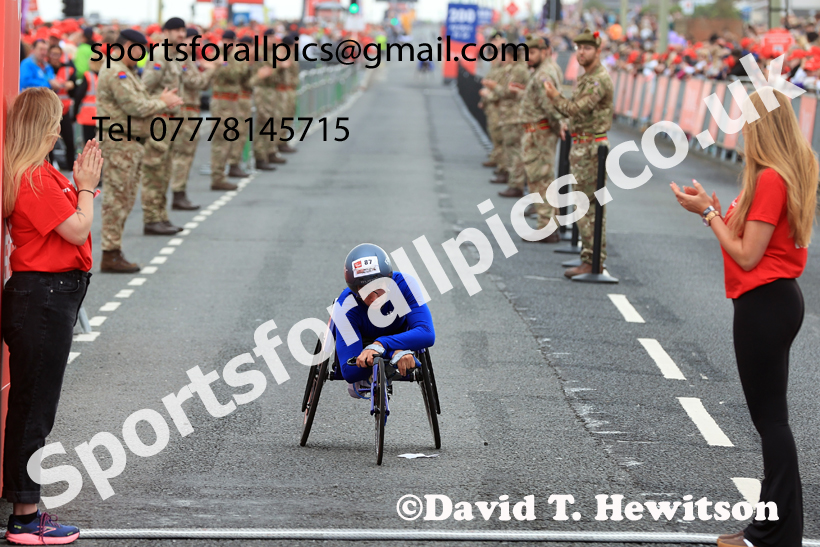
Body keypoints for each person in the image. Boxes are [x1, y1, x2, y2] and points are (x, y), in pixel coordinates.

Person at [671, 88, 818, 547]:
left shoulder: (771, 179)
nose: (742, 130)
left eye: (746, 122)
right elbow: (757, 242)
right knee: (771, 420)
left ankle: (773, 533)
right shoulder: (785, 173)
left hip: (764, 303)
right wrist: (715, 211)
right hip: (774, 300)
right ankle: (774, 529)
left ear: (761, 126)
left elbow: (747, 255)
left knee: (771, 422)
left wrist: (707, 213)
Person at [1, 87, 103, 545]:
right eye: (56, 120)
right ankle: (24, 517)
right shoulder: (34, 178)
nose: (60, 127)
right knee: (33, 410)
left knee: (33, 406)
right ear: (44, 126)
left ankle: (25, 508)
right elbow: (77, 228)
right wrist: (86, 187)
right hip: (43, 297)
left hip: (46, 296)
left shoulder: (37, 173)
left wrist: (79, 183)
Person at [96, 29, 182, 273]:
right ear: (128, 46)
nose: (142, 55)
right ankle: (110, 253)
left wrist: (159, 101)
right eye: (139, 49)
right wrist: (162, 103)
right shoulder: (116, 70)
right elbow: (135, 106)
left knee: (125, 198)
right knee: (117, 199)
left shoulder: (126, 70)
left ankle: (114, 251)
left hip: (129, 142)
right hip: (119, 142)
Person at [543, 28, 613, 277]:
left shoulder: (598, 80)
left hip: (591, 147)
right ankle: (590, 257)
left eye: (587, 48)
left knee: (587, 205)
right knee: (585, 204)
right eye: (579, 48)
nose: (581, 53)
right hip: (583, 144)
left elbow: (576, 109)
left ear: (598, 51)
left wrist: (554, 97)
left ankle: (593, 260)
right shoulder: (587, 77)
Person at [332, 244, 435, 399]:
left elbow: (427, 333)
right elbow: (349, 372)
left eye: (379, 286)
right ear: (354, 289)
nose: (374, 298)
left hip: (397, 337)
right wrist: (393, 351)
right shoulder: (345, 305)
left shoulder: (405, 284)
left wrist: (382, 344)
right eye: (365, 290)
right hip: (363, 343)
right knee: (354, 385)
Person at [140, 17, 187, 236]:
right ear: (165, 32)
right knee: (154, 170)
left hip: (169, 120)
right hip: (158, 119)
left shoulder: (174, 56)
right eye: (176, 30)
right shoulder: (160, 55)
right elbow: (145, 87)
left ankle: (160, 216)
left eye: (182, 30)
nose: (181, 34)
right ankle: (151, 219)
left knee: (165, 170)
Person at [518, 35, 566, 241]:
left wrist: (558, 124)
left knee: (540, 179)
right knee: (543, 178)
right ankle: (550, 223)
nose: (528, 57)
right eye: (526, 53)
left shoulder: (543, 74)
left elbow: (550, 105)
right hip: (540, 130)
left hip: (539, 132)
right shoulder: (546, 70)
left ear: (545, 52)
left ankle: (546, 227)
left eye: (533, 52)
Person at [169, 27, 216, 210]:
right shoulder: (182, 58)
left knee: (187, 154)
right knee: (183, 154)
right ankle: (178, 193)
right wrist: (210, 69)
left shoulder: (188, 58)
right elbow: (196, 82)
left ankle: (180, 192)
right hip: (185, 111)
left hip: (191, 110)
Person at [487, 51, 529, 197]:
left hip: (515, 115)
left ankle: (516, 183)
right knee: (509, 147)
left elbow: (509, 92)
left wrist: (494, 87)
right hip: (509, 114)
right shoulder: (512, 69)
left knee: (515, 150)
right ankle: (511, 178)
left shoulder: (518, 70)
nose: (501, 58)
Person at [210, 30, 244, 191]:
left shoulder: (236, 55)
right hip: (221, 100)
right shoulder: (216, 53)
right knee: (220, 140)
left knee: (230, 138)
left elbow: (239, 72)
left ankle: (223, 173)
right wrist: (223, 64)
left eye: (231, 41)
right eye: (225, 41)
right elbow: (221, 71)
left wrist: (223, 64)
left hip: (233, 101)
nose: (228, 44)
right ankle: (217, 177)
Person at [251, 29, 286, 170]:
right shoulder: (260, 52)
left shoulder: (273, 52)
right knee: (264, 123)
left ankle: (270, 151)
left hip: (272, 90)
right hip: (263, 89)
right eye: (270, 38)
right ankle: (260, 156)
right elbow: (266, 72)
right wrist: (279, 64)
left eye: (273, 38)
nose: (273, 41)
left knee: (273, 121)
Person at [479, 32, 506, 171]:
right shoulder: (496, 64)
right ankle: (497, 158)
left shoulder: (506, 64)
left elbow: (502, 87)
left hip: (500, 106)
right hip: (493, 104)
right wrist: (484, 100)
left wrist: (488, 96)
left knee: (500, 136)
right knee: (494, 134)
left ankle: (502, 165)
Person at [48, 44, 76, 170]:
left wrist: (72, 85)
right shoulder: (45, 69)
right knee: (49, 143)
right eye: (53, 54)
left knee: (69, 141)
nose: (55, 57)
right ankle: (49, 169)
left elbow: (74, 89)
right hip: (49, 112)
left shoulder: (68, 69)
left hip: (64, 110)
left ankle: (70, 168)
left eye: (57, 54)